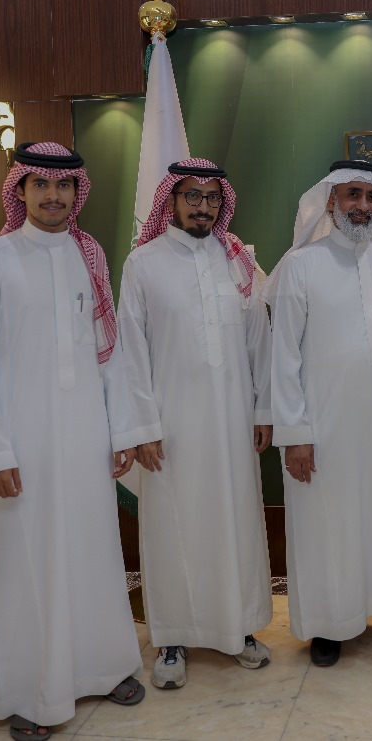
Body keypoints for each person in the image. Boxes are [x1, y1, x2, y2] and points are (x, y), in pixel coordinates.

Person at [0, 142, 146, 740]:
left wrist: (121, 429)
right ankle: (32, 693)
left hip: (86, 435)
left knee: (93, 551)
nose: (53, 196)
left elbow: (108, 354)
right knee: (29, 563)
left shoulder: (90, 256)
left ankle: (104, 667)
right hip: (21, 440)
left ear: (77, 192)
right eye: (40, 184)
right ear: (19, 190)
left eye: (63, 185)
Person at [264, 159, 372, 667]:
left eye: (371, 196)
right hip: (325, 425)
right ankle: (330, 623)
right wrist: (294, 432)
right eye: (352, 194)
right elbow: (283, 357)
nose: (362, 206)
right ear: (331, 201)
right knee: (329, 521)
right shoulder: (301, 265)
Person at [117, 158, 274, 689]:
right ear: (172, 200)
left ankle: (239, 628)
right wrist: (143, 427)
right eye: (192, 196)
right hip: (171, 426)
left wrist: (263, 410)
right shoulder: (143, 264)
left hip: (233, 421)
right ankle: (172, 639)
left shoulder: (240, 262)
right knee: (173, 527)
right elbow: (131, 351)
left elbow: (259, 343)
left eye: (211, 197)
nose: (202, 206)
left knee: (235, 521)